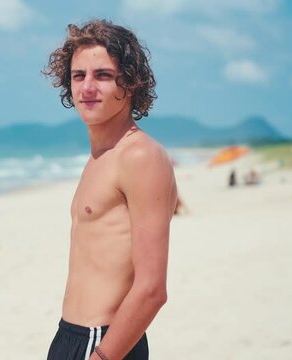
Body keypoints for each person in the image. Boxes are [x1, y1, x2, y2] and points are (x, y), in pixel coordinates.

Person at [43, 20, 177, 360]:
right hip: (71, 336)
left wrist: (103, 356)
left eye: (102, 75)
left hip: (103, 342)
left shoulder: (140, 156)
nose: (87, 87)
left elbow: (151, 289)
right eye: (78, 75)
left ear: (130, 83)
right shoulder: (100, 157)